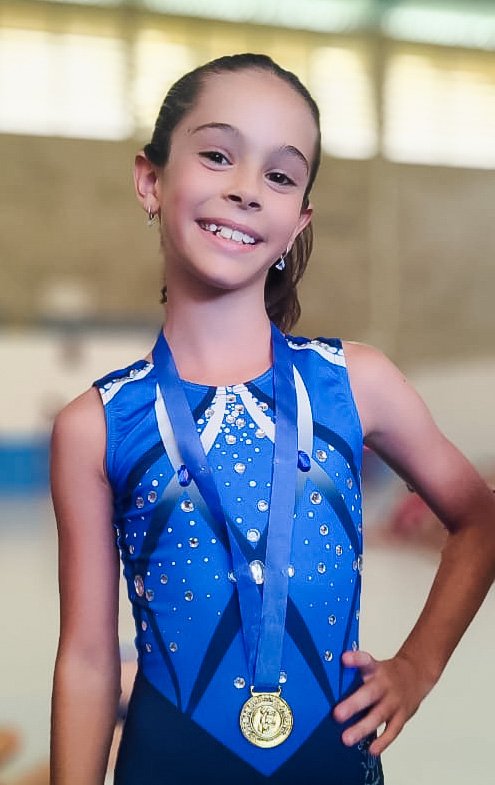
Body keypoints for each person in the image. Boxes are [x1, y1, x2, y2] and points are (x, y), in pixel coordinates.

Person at [50, 53, 495, 785]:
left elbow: (480, 519)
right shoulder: (96, 425)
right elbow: (89, 659)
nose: (246, 189)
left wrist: (417, 666)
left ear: (297, 224)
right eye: (217, 155)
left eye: (281, 175)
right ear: (151, 180)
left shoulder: (354, 382)